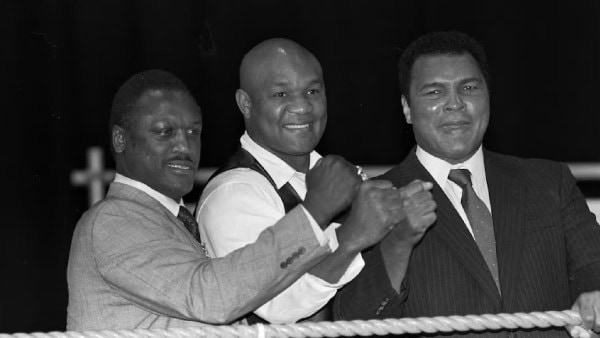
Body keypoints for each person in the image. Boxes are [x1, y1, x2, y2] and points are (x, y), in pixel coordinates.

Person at [66, 69, 392, 331]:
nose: (184, 146)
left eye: (193, 132)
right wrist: (315, 212)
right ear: (121, 139)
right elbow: (212, 298)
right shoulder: (114, 220)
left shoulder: (172, 220)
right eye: (165, 132)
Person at [333, 31, 600, 337]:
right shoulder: (372, 200)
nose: (455, 104)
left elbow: (593, 266)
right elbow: (354, 321)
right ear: (407, 108)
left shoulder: (549, 182)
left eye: (469, 88)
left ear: (488, 95)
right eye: (434, 92)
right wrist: (398, 243)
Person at [196, 38, 437, 323]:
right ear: (245, 103)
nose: (302, 106)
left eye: (312, 91)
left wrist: (398, 236)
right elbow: (278, 305)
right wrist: (351, 237)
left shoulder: (340, 176)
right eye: (281, 94)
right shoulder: (233, 194)